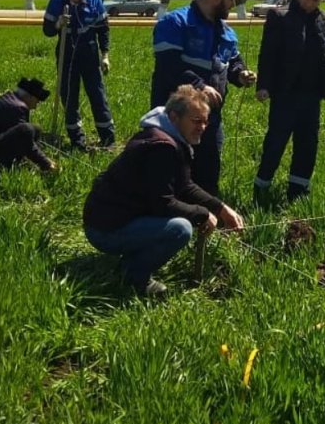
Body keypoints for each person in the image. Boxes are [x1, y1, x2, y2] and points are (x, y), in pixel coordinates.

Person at [83, 85, 244, 297]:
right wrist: (202, 214)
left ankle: (132, 259)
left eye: (205, 121)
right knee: (180, 229)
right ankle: (133, 276)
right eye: (196, 121)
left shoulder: (163, 135)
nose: (203, 127)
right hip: (104, 230)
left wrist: (221, 208)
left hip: (108, 218)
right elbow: (163, 203)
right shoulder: (163, 149)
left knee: (181, 221)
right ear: (175, 117)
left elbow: (184, 186)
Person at [253, 0, 325, 204]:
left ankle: (298, 191)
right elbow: (268, 55)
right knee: (276, 141)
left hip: (312, 95)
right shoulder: (279, 17)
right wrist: (263, 86)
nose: (309, 3)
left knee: (307, 144)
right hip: (284, 94)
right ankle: (262, 187)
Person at [150, 0, 256, 195]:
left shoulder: (227, 33)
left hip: (210, 118)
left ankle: (206, 218)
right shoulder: (176, 23)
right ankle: (171, 219)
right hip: (175, 117)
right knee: (171, 169)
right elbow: (169, 66)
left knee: (208, 169)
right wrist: (199, 85)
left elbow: (233, 61)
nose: (233, 4)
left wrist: (241, 74)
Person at [42, 0, 115, 151]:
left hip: (89, 53)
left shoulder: (94, 1)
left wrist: (105, 54)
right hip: (66, 53)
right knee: (69, 96)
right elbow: (47, 31)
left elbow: (103, 29)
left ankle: (108, 140)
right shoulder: (57, 1)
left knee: (97, 95)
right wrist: (58, 24)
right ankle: (78, 141)